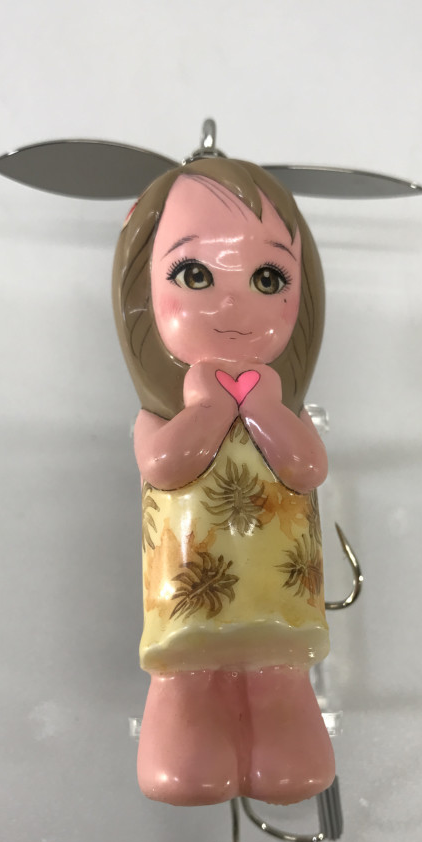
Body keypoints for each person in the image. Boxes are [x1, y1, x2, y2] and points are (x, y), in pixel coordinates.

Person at [113, 158, 334, 806]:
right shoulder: (156, 415)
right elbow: (164, 465)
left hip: (280, 596)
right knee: (186, 676)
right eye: (195, 274)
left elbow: (307, 468)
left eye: (268, 278)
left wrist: (266, 410)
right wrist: (208, 408)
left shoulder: (285, 409)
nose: (233, 304)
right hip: (190, 597)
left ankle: (286, 732)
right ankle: (183, 735)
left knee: (280, 674)